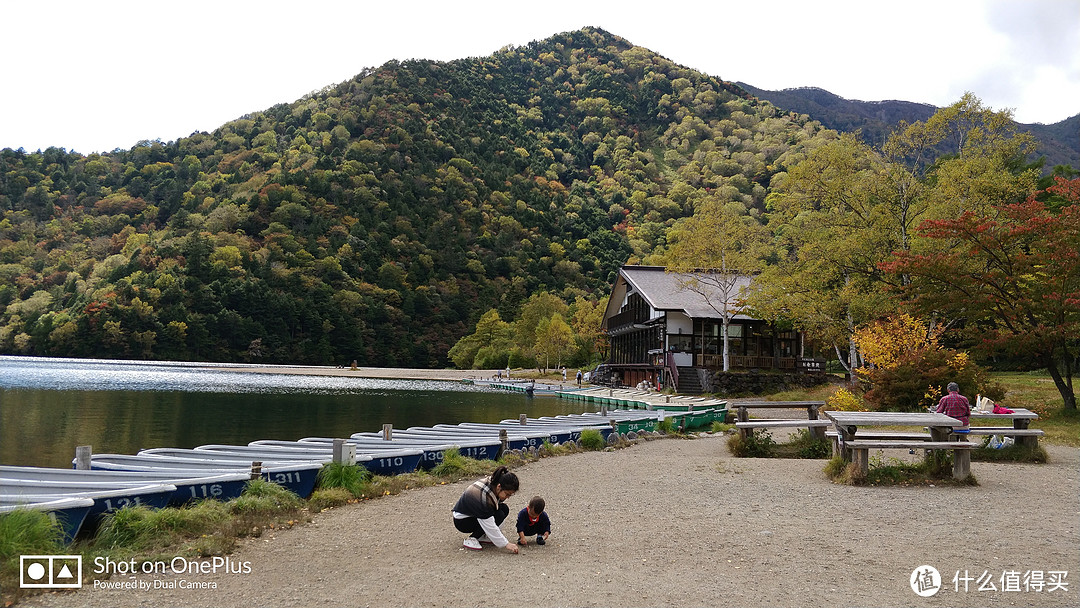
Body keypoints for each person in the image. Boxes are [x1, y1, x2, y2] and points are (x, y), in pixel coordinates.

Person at [452, 466, 520, 553]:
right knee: (499, 515)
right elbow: (489, 524)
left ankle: (482, 536)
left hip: (471, 514)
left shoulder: (493, 482)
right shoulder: (483, 497)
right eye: (507, 494)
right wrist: (506, 544)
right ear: (499, 487)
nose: (508, 497)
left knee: (504, 509)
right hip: (462, 521)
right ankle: (472, 539)